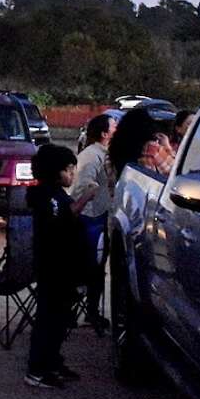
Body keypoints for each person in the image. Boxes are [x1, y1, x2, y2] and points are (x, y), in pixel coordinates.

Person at [26, 144, 96, 389]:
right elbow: (64, 218)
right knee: (48, 319)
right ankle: (37, 369)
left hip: (65, 269)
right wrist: (87, 196)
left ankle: (53, 361)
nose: (72, 175)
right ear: (55, 171)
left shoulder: (57, 195)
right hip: (52, 268)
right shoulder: (46, 197)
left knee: (61, 319)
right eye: (69, 170)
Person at [70, 113, 116, 332]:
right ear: (104, 134)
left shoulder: (103, 154)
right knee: (89, 268)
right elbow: (83, 186)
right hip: (91, 219)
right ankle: (81, 312)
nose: (117, 131)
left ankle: (91, 311)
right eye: (114, 128)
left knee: (96, 269)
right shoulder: (91, 156)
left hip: (99, 217)